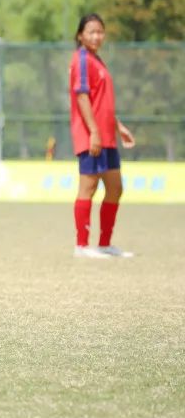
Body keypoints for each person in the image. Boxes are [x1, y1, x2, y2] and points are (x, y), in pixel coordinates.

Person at [70, 13, 135, 259]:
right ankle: (82, 246)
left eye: (100, 31)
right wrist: (94, 132)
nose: (96, 36)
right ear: (80, 35)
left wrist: (119, 127)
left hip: (107, 135)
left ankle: (105, 243)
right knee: (88, 187)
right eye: (91, 32)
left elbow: (101, 102)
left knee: (115, 188)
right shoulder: (82, 60)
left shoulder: (97, 60)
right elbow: (82, 96)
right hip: (91, 136)